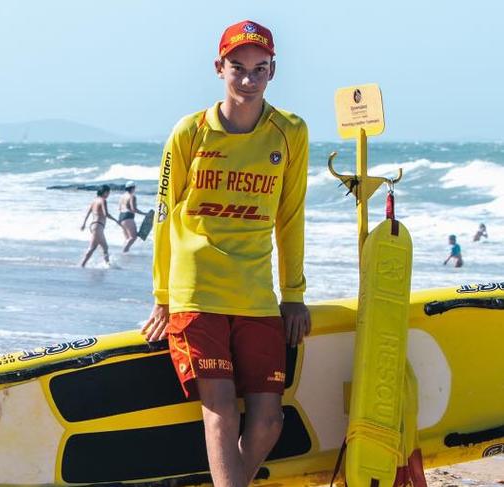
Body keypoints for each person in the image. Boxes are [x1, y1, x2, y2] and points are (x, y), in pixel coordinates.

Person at [142, 20, 311, 487]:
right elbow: (163, 216)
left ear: (273, 71)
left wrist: (293, 293)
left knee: (269, 422)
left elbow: (290, 216)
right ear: (220, 68)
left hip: (256, 292)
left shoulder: (289, 132)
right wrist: (161, 295)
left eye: (259, 69)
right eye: (238, 68)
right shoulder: (190, 132)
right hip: (197, 288)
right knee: (220, 412)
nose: (248, 79)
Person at [80, 185, 121, 267]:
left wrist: (84, 224)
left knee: (104, 247)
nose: (109, 194)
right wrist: (116, 220)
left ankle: (107, 265)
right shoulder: (103, 200)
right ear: (105, 192)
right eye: (108, 192)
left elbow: (88, 213)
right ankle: (82, 265)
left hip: (94, 225)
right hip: (98, 226)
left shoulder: (94, 201)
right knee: (93, 248)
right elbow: (106, 214)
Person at [118, 180, 147, 252]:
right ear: (132, 188)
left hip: (121, 217)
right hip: (128, 217)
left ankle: (125, 255)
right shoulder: (132, 196)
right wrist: (145, 214)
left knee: (127, 238)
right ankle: (124, 252)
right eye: (134, 187)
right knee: (133, 237)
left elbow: (119, 208)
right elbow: (133, 209)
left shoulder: (122, 196)